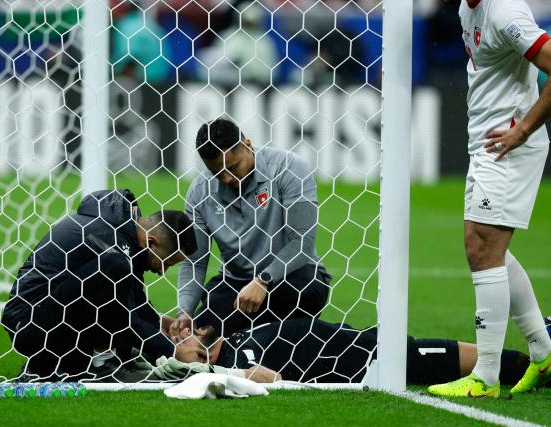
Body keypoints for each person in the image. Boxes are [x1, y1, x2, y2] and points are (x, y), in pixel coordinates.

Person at [429, 0, 551, 398]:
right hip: (487, 142)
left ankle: (486, 375)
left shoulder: (504, 12)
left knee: (480, 246)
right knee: (487, 247)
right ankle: (544, 350)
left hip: (508, 144)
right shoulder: (469, 10)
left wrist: (524, 130)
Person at [1, 188, 198, 380]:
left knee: (119, 284)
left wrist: (158, 325)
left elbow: (136, 302)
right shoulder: (107, 237)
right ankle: (94, 364)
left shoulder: (127, 238)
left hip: (55, 317)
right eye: (165, 262)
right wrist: (174, 354)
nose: (162, 271)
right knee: (115, 267)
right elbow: (128, 316)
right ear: (152, 241)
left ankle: (72, 365)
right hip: (28, 325)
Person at [171, 118, 332, 337]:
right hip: (236, 285)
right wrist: (185, 311)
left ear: (248, 144)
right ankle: (254, 341)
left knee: (304, 290)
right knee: (199, 333)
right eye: (217, 174)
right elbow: (195, 262)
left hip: (290, 278)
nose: (227, 178)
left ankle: (254, 340)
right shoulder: (200, 192)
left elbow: (302, 243)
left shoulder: (289, 168)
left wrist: (263, 281)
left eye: (233, 167)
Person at [153, 317, 539, 386]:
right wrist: (219, 374)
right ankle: (531, 365)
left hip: (345, 340)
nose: (182, 334)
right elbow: (270, 379)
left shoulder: (231, 336)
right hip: (359, 359)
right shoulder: (234, 364)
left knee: (420, 354)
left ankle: (532, 360)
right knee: (420, 360)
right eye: (178, 343)